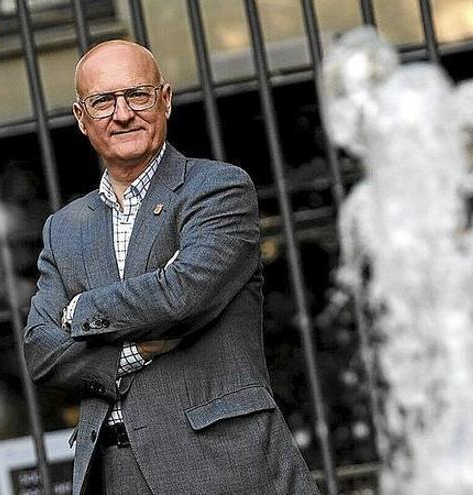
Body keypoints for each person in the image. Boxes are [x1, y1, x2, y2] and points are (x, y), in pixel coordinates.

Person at [23, 39, 319, 495]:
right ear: (82, 119)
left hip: (221, 463)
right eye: (103, 101)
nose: (123, 114)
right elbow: (42, 353)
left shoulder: (216, 189)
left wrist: (79, 312)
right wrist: (134, 351)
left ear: (165, 99)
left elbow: (182, 295)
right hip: (112, 472)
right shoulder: (63, 228)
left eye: (137, 94)